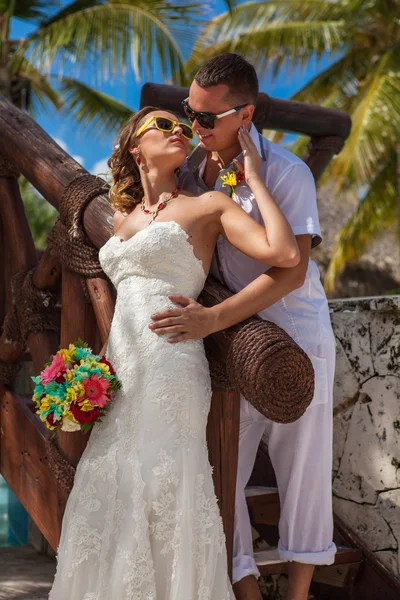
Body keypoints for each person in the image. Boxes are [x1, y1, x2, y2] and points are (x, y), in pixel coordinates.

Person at [48, 106, 300, 600]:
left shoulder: (209, 205)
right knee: (106, 485)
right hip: (121, 372)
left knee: (165, 485)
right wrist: (83, 374)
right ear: (135, 148)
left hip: (171, 367)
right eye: (164, 125)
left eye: (184, 128)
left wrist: (253, 180)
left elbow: (287, 254)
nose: (179, 132)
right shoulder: (120, 216)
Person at [149, 53, 337, 600]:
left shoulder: (287, 172)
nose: (194, 125)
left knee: (304, 475)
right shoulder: (189, 172)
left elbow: (290, 269)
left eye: (207, 118)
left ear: (245, 115)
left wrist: (210, 319)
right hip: (231, 343)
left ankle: (299, 594)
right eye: (189, 112)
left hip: (296, 337)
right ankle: (246, 585)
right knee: (220, 473)